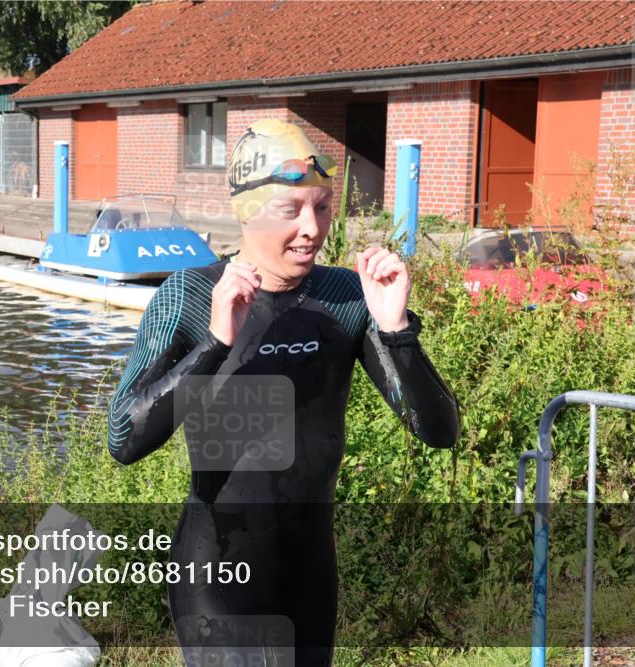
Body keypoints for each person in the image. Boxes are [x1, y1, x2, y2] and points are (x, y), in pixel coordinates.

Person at [107, 119, 460, 666]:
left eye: (322, 207)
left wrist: (396, 330)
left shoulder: (348, 297)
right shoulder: (192, 295)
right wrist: (215, 344)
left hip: (309, 580)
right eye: (290, 209)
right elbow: (123, 438)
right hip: (216, 576)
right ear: (248, 211)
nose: (312, 228)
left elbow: (439, 431)